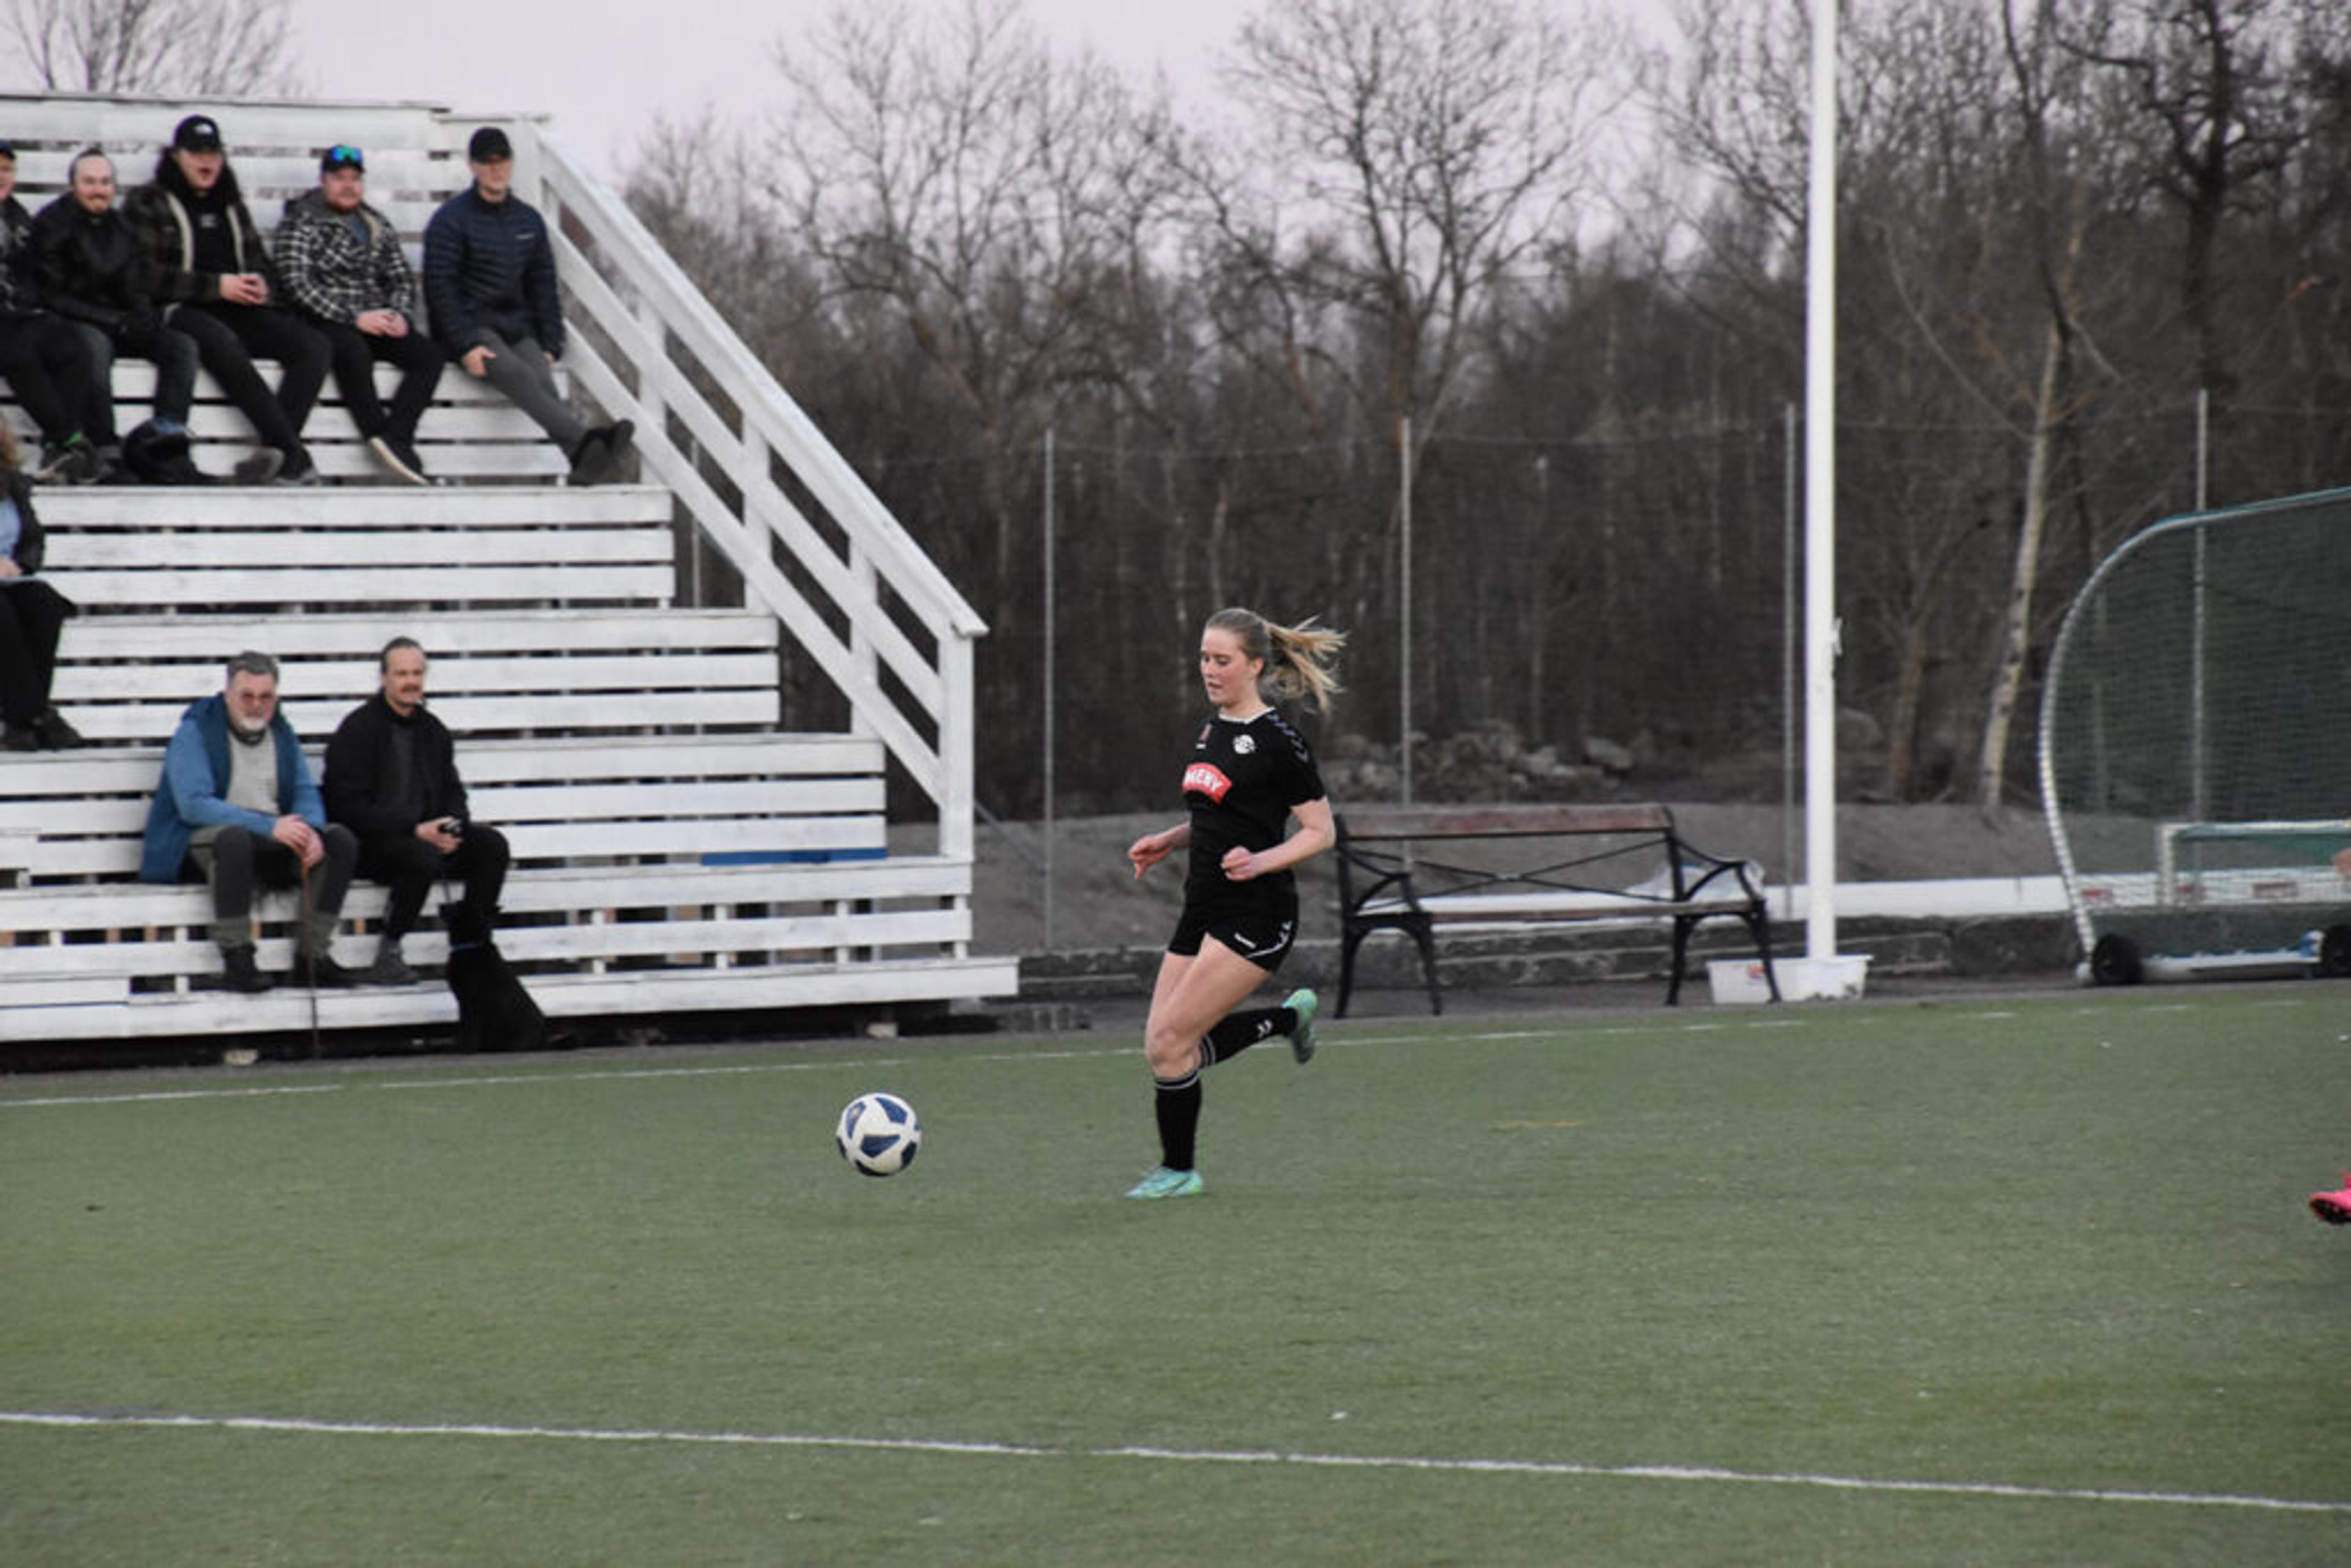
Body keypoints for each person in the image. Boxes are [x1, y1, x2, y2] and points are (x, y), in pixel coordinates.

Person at [1120, 607, 1346, 1199]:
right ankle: (1287, 1020)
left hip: (1257, 913)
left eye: (1222, 660)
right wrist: (1171, 840)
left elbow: (1321, 832)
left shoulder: (1279, 741)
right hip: (1202, 905)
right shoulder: (1212, 731)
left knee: (1173, 1044)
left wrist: (1261, 861)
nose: (1209, 670)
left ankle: (1179, 1171)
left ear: (1255, 666)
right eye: (1204, 658)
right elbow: (1220, 815)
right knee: (1162, 1048)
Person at [123, 114, 330, 484]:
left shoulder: (230, 204)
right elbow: (142, 275)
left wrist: (262, 285)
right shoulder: (149, 201)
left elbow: (259, 262)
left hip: (237, 307)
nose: (206, 162)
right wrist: (216, 287)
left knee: (314, 346)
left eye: (213, 154)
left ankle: (275, 452)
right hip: (177, 309)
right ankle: (292, 455)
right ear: (176, 156)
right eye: (196, 153)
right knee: (221, 340)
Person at [140, 651, 360, 993]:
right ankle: (237, 956)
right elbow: (194, 806)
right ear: (228, 694)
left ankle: (312, 957)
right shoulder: (195, 732)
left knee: (339, 841)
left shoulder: (282, 733)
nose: (257, 705)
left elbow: (304, 789)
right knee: (234, 840)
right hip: (205, 842)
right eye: (247, 696)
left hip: (268, 839)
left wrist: (312, 830)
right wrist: (267, 826)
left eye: (266, 697)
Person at [422, 126, 631, 486]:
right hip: (472, 328)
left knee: (541, 378)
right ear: (473, 166)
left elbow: (542, 284)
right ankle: (588, 442)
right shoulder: (450, 220)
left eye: (502, 160)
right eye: (487, 162)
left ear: (512, 162)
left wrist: (551, 342)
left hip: (515, 325)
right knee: (517, 374)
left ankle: (581, 462)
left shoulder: (528, 220)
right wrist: (464, 344)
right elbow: (440, 289)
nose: (496, 169)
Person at [323, 637, 511, 985]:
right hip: (373, 844)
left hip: (427, 837)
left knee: (492, 846)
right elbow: (345, 806)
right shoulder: (358, 729)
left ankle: (473, 944)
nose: (411, 682)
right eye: (402, 674)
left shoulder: (433, 730)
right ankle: (389, 952)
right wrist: (413, 829)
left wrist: (454, 827)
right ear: (384, 678)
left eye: (417, 673)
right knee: (421, 856)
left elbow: (453, 790)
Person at [30, 148, 209, 484]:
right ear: (73, 186)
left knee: (181, 346)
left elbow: (135, 282)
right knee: (94, 347)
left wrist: (141, 316)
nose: (98, 190)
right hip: (70, 323)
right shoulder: (52, 224)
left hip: (118, 321)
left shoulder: (121, 226)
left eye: (105, 182)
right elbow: (52, 296)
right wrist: (114, 321)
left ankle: (166, 447)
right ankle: (105, 450)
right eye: (89, 182)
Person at [275, 144, 445, 486]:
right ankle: (376, 431)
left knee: (429, 356)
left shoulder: (375, 223)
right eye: (340, 178)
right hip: (326, 319)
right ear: (324, 181)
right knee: (353, 350)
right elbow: (297, 284)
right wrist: (355, 317)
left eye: (354, 179)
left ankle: (397, 439)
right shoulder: (301, 222)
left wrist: (398, 314)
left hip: (376, 318)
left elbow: (400, 277)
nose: (348, 186)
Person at [0, 138, 112, 483]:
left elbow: (33, 273)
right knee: (18, 354)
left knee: (72, 346)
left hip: (20, 313)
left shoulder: (18, 217)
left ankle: (56, 449)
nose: (2, 176)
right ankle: (71, 440)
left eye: (7, 169)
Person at [0, 423, 83, 749]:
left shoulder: (13, 483)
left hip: (12, 577)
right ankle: (37, 715)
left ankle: (22, 721)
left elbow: (33, 540)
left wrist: (22, 564)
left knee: (45, 604)